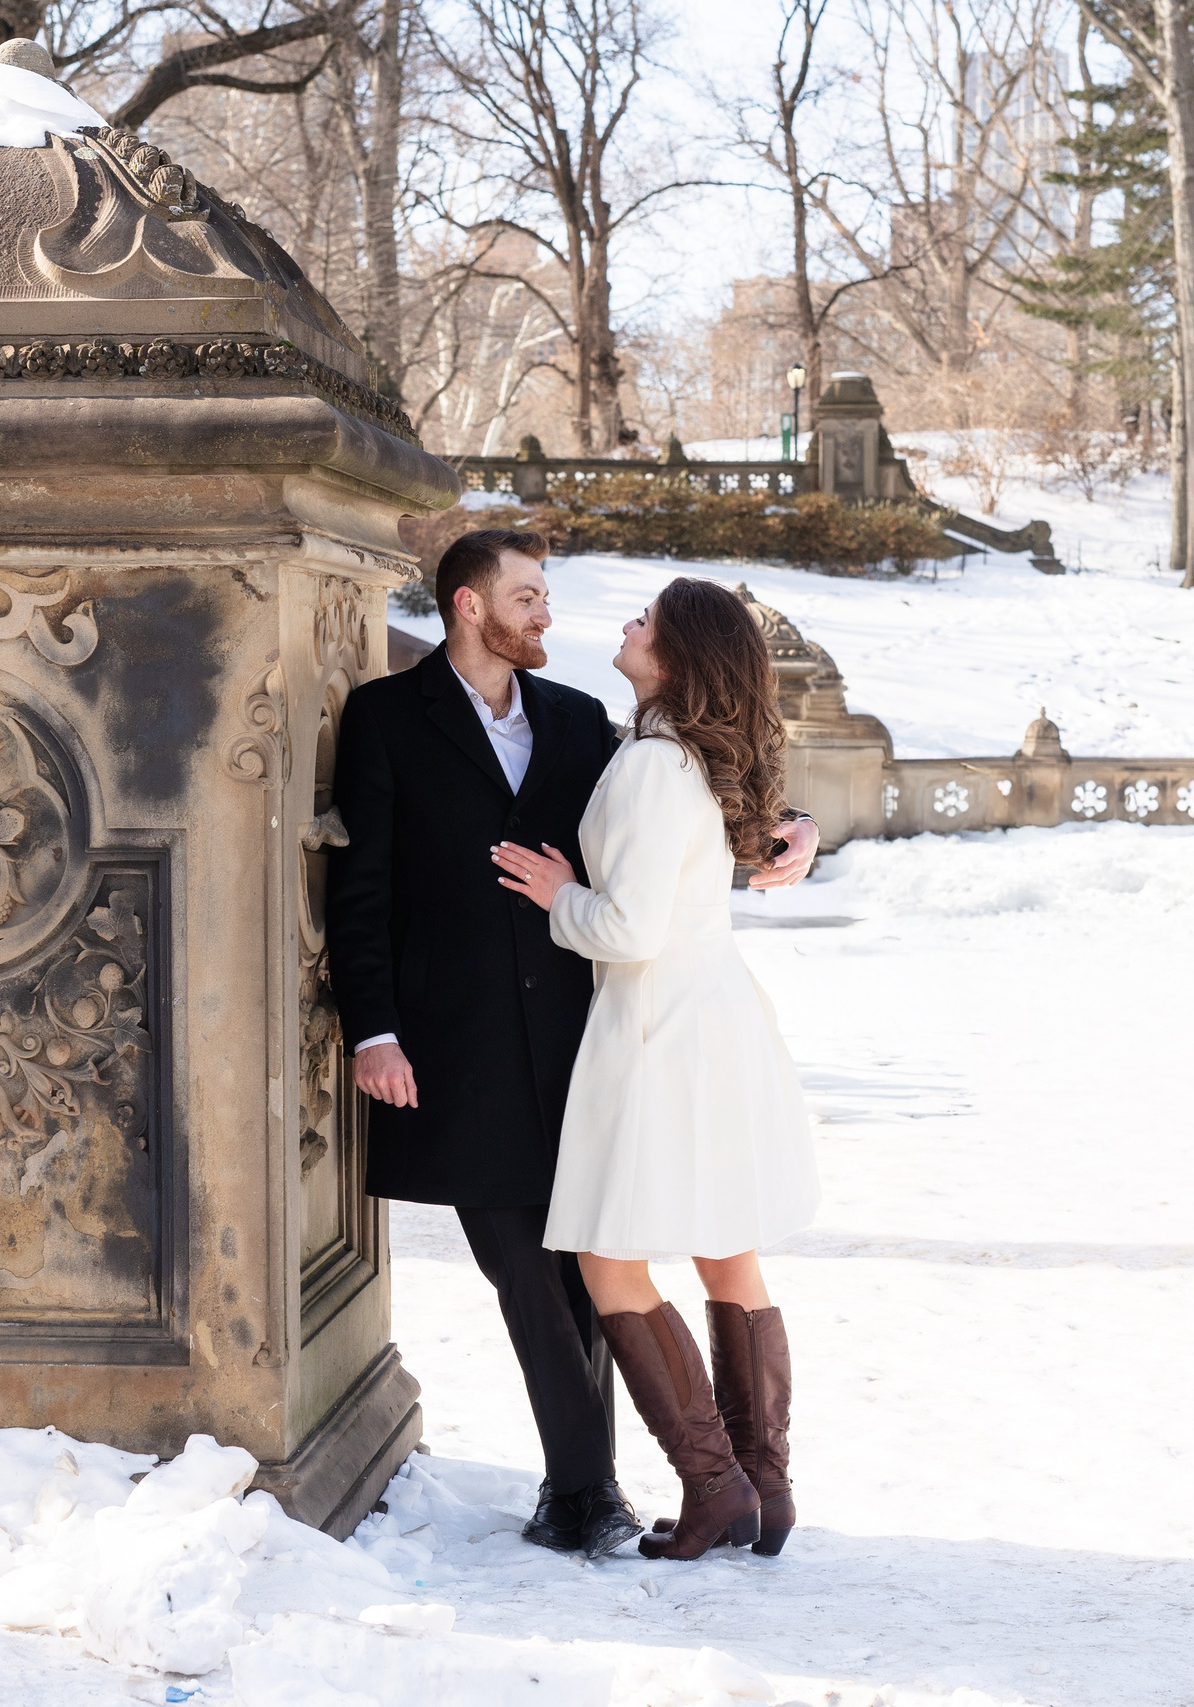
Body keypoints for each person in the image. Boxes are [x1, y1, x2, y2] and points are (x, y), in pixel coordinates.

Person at [327, 532, 819, 1558]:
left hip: (592, 1040)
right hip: (460, 1047)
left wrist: (794, 827)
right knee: (532, 1270)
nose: (551, 613)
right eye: (528, 595)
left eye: (549, 595)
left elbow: (690, 811)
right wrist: (373, 1028)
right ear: (468, 605)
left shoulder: (585, 722)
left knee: (592, 1267)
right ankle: (618, 1487)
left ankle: (688, 1483)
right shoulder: (384, 719)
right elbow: (359, 889)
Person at [490, 577, 822, 1562]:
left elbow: (626, 929)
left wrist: (557, 893)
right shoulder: (694, 756)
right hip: (716, 1016)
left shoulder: (648, 765)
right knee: (728, 1248)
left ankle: (716, 1486)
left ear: (671, 658)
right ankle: (763, 1483)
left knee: (608, 1257)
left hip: (654, 1027)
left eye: (645, 620)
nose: (626, 626)